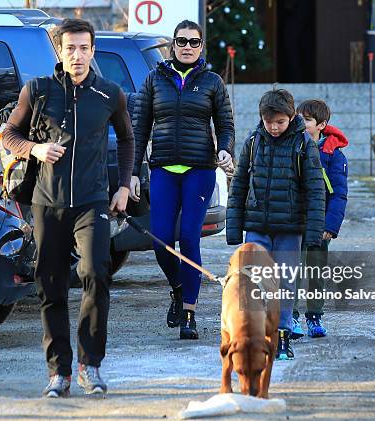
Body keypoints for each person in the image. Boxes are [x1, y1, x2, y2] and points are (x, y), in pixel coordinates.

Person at [2, 19, 134, 398]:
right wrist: (35, 149)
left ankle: (89, 365)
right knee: (51, 285)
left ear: (93, 52)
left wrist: (124, 185)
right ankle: (58, 371)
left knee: (95, 273)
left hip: (93, 201)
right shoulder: (38, 90)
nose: (77, 55)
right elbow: (8, 135)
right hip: (47, 203)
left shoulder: (110, 94)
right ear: (59, 51)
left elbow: (127, 140)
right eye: (70, 48)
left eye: (84, 48)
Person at [130, 19, 235, 340]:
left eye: (194, 42)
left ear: (202, 46)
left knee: (189, 238)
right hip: (162, 169)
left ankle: (189, 311)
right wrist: (132, 173)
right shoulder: (154, 80)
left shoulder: (212, 82)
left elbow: (226, 124)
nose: (187, 47)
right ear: (173, 45)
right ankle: (177, 288)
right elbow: (138, 129)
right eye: (182, 41)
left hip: (199, 171)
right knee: (161, 239)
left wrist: (225, 149)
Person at [226, 89, 325, 360]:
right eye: (269, 121)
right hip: (257, 224)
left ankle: (282, 336)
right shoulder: (254, 141)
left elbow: (315, 189)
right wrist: (234, 227)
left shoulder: (304, 145)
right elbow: (239, 184)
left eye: (280, 122)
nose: (273, 127)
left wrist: (314, 231)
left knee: (284, 283)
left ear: (291, 117)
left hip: (290, 229)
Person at [290, 99, 348, 339]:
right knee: (290, 271)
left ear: (322, 124)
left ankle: (314, 317)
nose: (301, 123)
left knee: (315, 272)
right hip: (293, 221)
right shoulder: (292, 146)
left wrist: (330, 226)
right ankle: (290, 317)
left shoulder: (333, 156)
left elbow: (339, 194)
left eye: (307, 120)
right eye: (299, 118)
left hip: (319, 224)